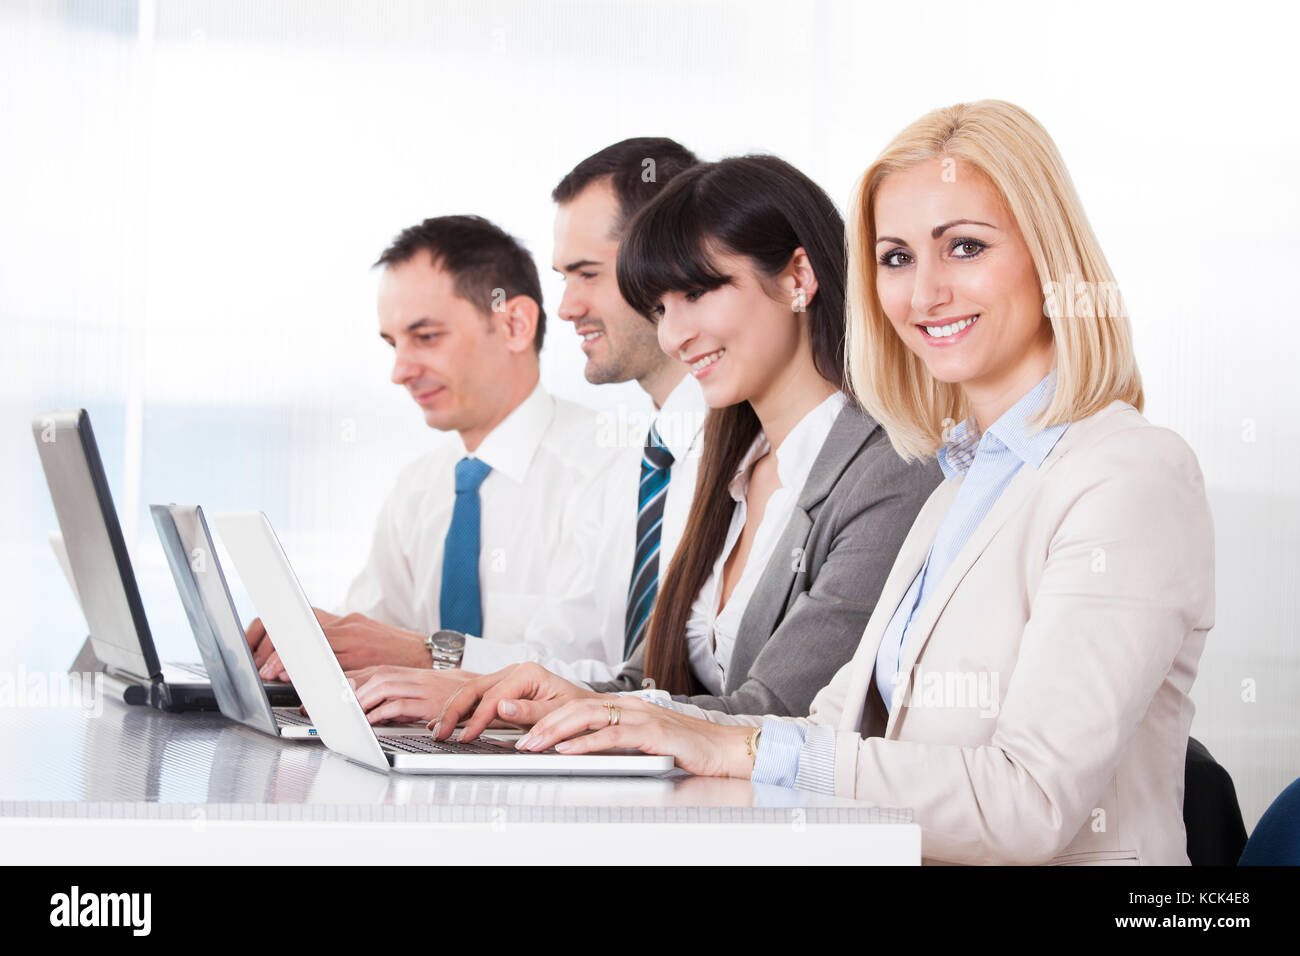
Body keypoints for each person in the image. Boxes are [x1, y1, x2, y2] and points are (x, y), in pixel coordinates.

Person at [439, 101, 1216, 867]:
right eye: (898, 257)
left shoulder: (1127, 475)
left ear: (1051, 258)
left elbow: (1028, 802)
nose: (923, 293)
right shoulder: (959, 483)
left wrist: (730, 744)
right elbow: (828, 727)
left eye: (966, 247)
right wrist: (620, 716)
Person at [362, 154, 942, 726]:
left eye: (696, 294)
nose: (674, 336)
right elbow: (644, 687)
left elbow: (779, 716)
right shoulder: (726, 459)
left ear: (798, 277)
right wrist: (480, 698)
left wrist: (587, 710)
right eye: (661, 308)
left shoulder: (890, 468)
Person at [247, 215, 625, 690]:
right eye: (393, 344)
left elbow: (612, 680)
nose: (400, 370)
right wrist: (309, 646)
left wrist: (430, 657)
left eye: (426, 337)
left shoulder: (613, 471)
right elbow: (374, 631)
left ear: (514, 324)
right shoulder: (420, 487)